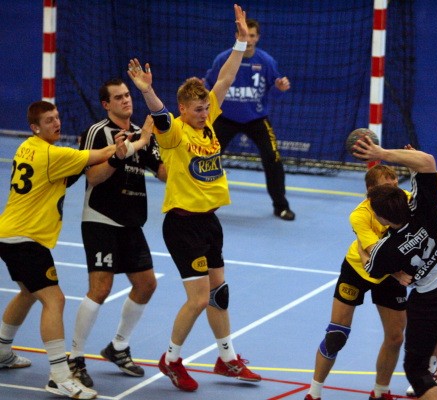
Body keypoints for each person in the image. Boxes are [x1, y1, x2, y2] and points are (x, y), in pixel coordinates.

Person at [126, 4, 261, 392]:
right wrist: (147, 90)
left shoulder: (207, 122)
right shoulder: (174, 133)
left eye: (206, 109)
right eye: (198, 110)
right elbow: (160, 114)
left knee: (219, 293)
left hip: (209, 220)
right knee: (199, 299)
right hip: (182, 224)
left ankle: (227, 359)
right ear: (183, 109)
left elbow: (225, 78)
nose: (204, 114)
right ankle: (170, 359)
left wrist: (240, 42)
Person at [0, 100, 139, 399]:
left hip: (10, 233)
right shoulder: (53, 154)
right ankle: (60, 377)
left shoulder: (27, 147)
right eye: (49, 121)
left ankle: (1, 351)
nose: (56, 123)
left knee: (28, 293)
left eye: (57, 117)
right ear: (35, 128)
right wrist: (133, 142)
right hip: (25, 238)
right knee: (55, 300)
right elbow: (100, 154)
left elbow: (66, 176)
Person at [352, 138, 437, 400]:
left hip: (432, 299)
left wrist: (361, 242)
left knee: (417, 370)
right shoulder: (423, 205)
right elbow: (427, 162)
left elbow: (370, 265)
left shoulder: (388, 249)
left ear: (382, 218)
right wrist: (383, 153)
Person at [67, 78, 167, 388]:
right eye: (119, 97)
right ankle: (75, 358)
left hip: (131, 221)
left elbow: (163, 173)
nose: (126, 100)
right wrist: (118, 155)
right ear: (106, 104)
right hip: (101, 218)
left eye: (127, 95)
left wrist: (184, 154)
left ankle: (118, 347)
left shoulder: (142, 133)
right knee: (100, 288)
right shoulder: (97, 132)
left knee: (146, 284)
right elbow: (93, 177)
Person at [304, 165, 407, 400]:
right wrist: (398, 274)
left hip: (390, 275)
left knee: (395, 337)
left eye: (395, 184)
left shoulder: (406, 200)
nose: (394, 190)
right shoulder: (360, 215)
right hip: (358, 270)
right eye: (387, 186)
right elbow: (375, 254)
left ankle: (380, 392)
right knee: (336, 336)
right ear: (371, 191)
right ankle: (313, 393)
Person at [204, 17, 295, 221]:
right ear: (237, 36)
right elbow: (209, 85)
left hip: (256, 119)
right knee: (206, 157)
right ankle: (202, 202)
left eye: (252, 35)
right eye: (244, 35)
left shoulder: (266, 61)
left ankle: (281, 206)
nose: (248, 39)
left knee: (273, 158)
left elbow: (274, 90)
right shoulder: (223, 59)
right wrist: (200, 86)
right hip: (224, 118)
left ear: (257, 38)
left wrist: (280, 88)